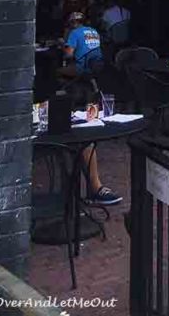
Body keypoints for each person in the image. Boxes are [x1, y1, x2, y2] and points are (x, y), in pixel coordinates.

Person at [61, 13, 121, 206]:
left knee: (55, 72)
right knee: (86, 133)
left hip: (80, 72)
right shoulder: (93, 31)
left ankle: (60, 98)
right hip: (94, 73)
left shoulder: (74, 33)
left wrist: (64, 44)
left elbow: (68, 54)